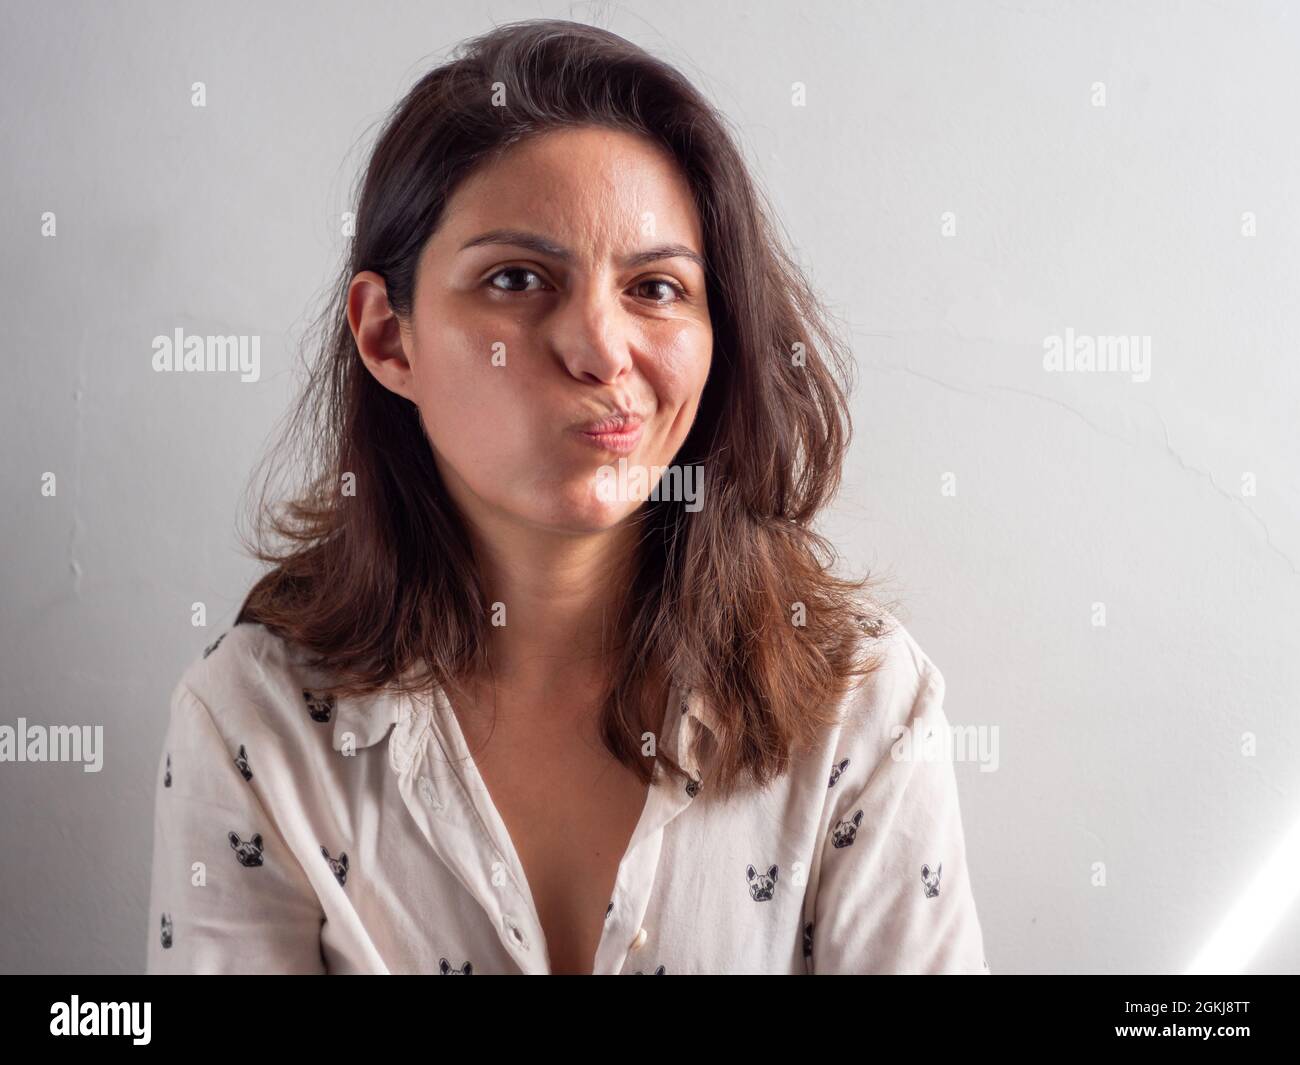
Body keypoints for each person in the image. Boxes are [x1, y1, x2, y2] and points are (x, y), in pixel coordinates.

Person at [144, 18, 988, 975]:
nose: (598, 348)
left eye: (657, 288)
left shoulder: (863, 706)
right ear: (389, 339)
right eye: (516, 279)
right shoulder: (256, 722)